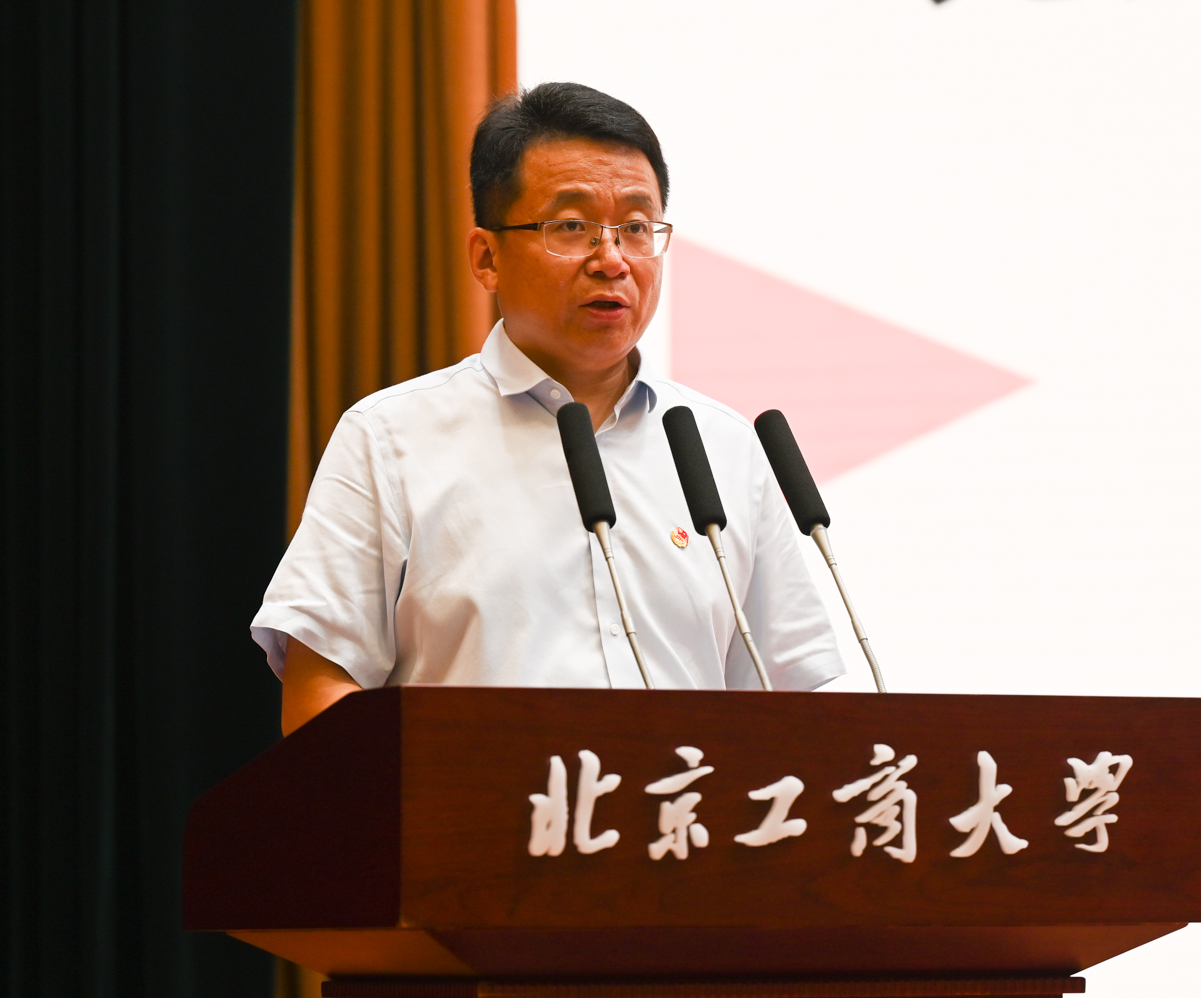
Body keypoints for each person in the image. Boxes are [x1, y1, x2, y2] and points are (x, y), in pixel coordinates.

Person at [255, 82, 844, 735]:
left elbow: (793, 709)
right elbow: (319, 693)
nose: (612, 260)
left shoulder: (724, 449)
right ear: (487, 257)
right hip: (470, 802)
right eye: (571, 227)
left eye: (636, 228)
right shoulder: (391, 439)